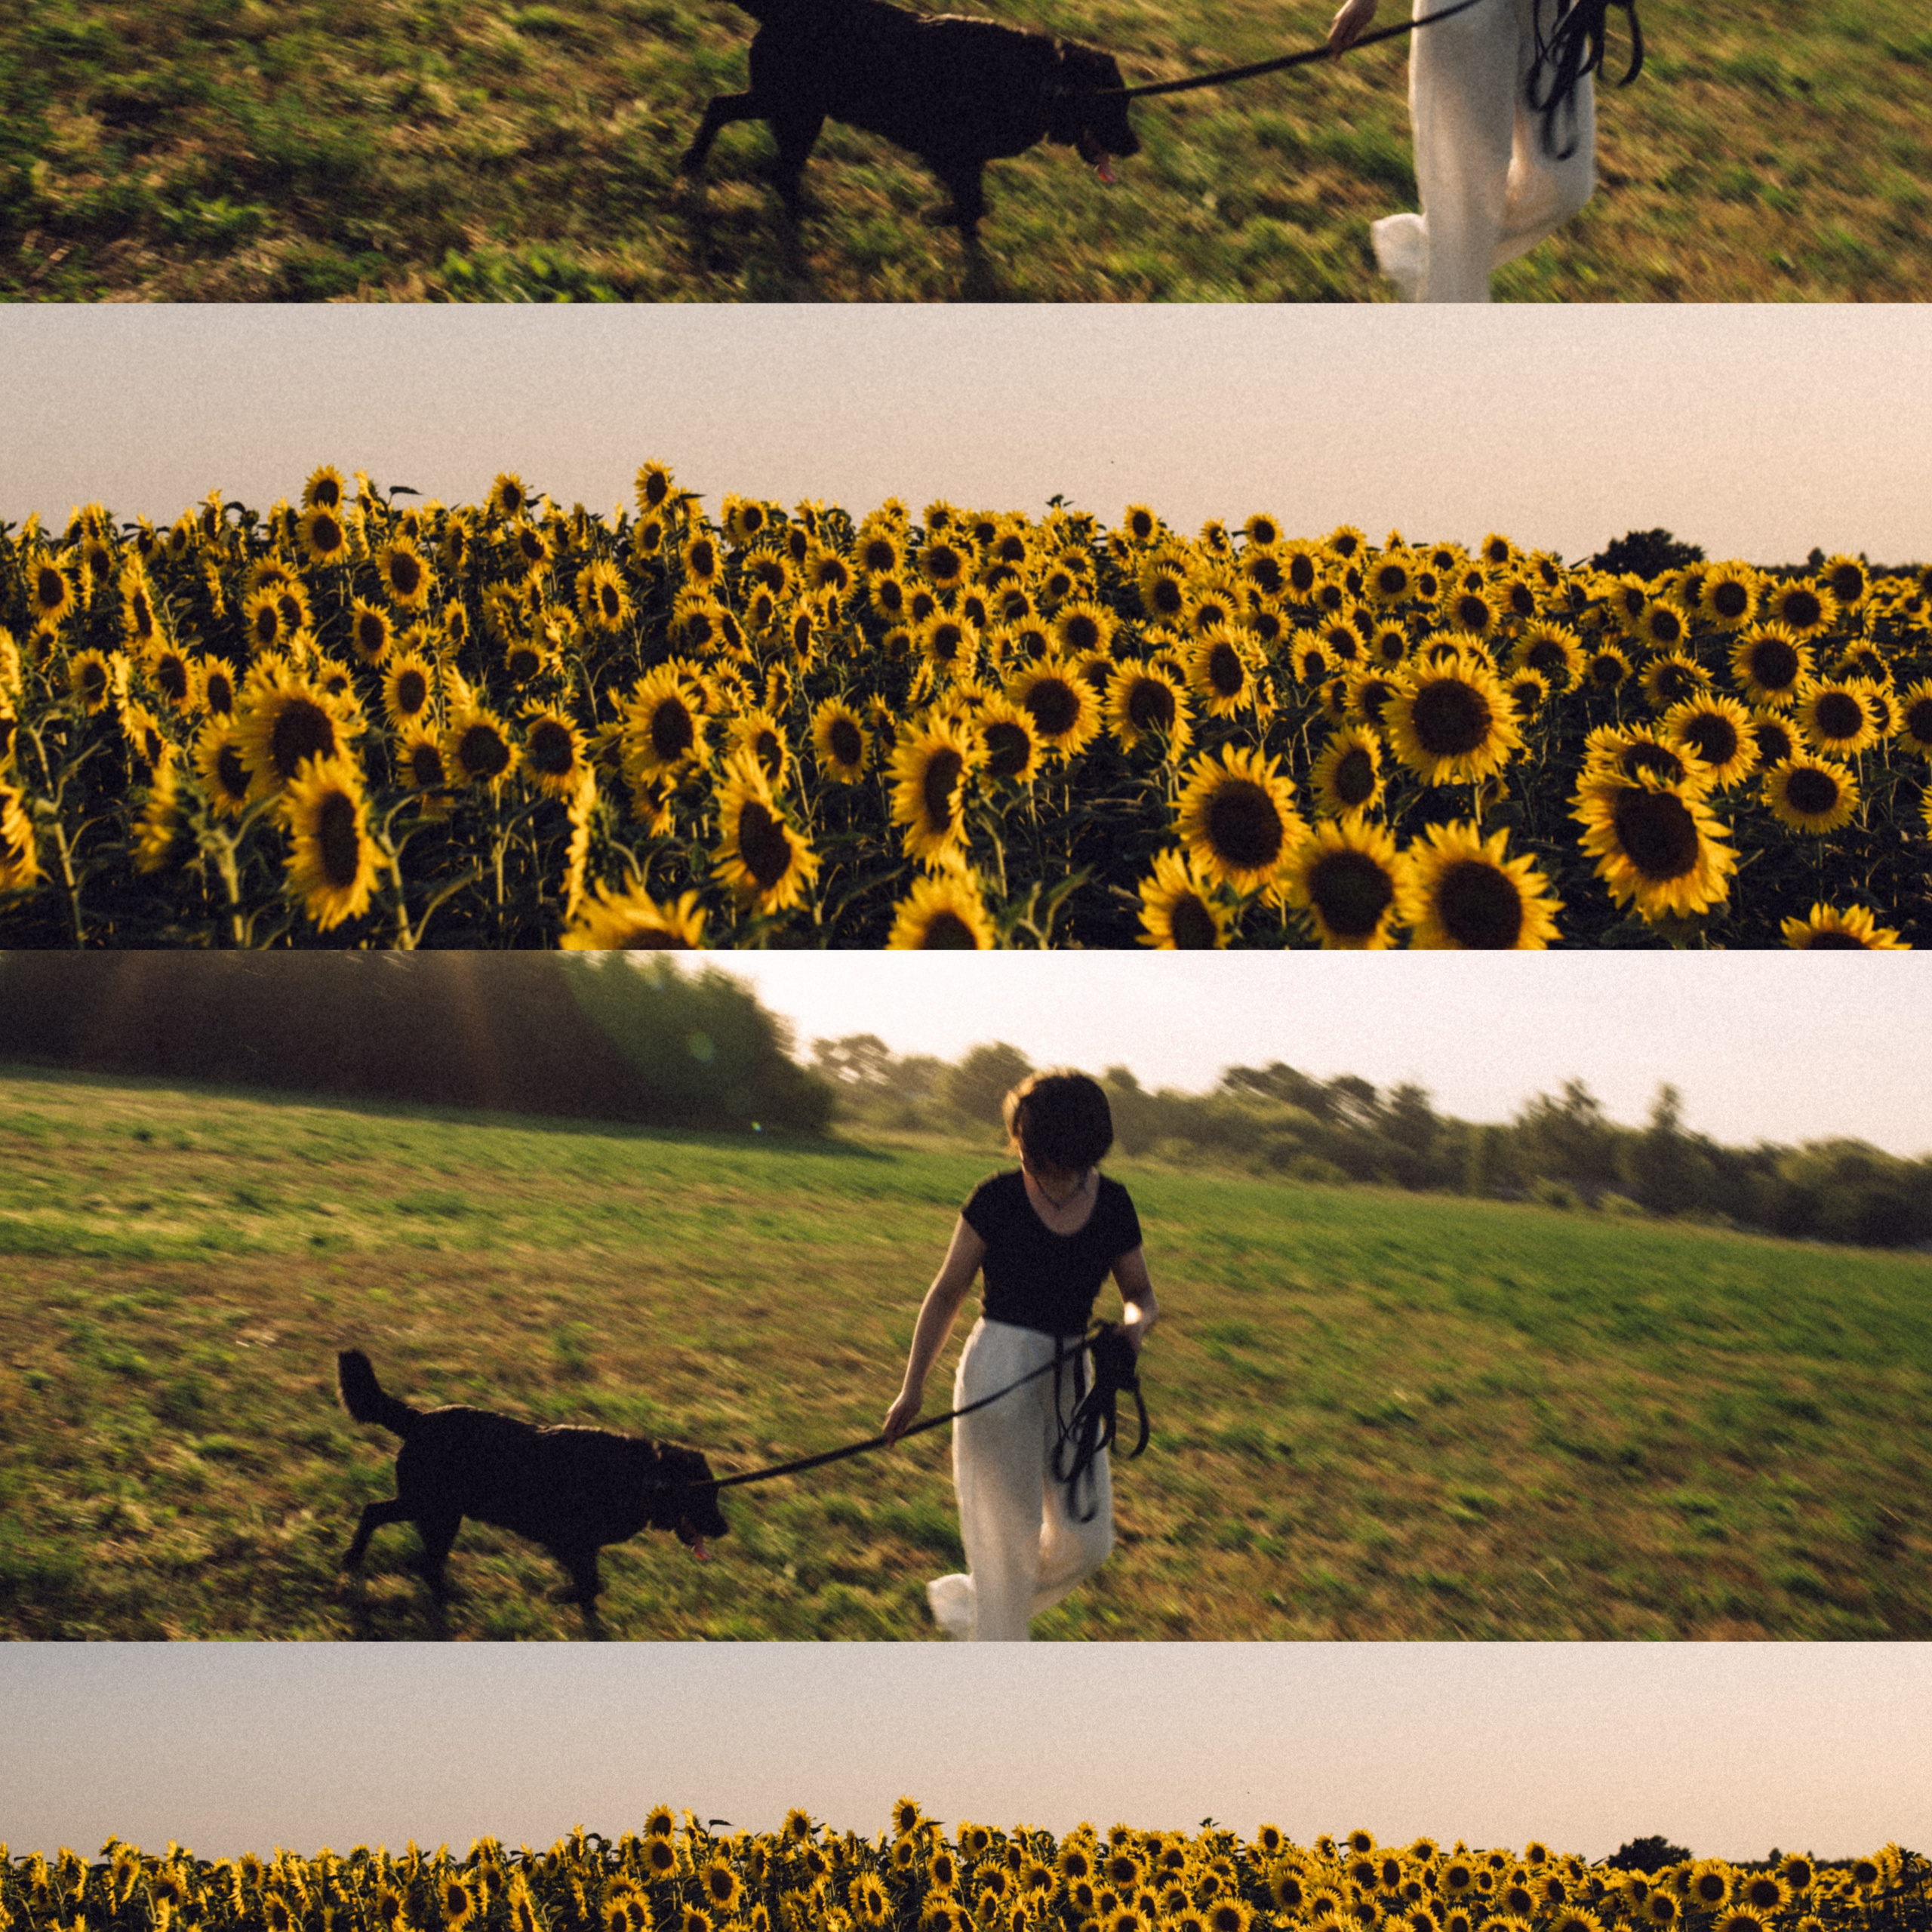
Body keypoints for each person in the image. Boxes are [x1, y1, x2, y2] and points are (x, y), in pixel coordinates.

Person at [881, 1069, 1158, 1641]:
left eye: (1034, 1139)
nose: (1023, 1149)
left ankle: (969, 1608)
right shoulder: (997, 1197)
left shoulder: (1112, 1204)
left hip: (1074, 1377)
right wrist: (912, 1388)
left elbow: (1141, 1296)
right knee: (1004, 1544)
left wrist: (1132, 1331)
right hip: (998, 1369)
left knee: (1089, 1540)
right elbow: (946, 1292)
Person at [1328, 0, 1597, 300]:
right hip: (1464, 13)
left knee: (1567, 184)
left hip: (1553, 13)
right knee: (1465, 196)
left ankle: (1420, 253)